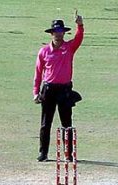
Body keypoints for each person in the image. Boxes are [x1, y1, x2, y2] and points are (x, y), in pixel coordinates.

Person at [33, 14, 84, 162]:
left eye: (61, 31)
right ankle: (43, 153)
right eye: (56, 31)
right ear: (51, 33)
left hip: (64, 90)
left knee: (66, 123)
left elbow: (79, 39)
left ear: (63, 32)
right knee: (45, 123)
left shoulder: (69, 47)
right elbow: (38, 73)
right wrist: (36, 92)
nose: (59, 33)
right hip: (48, 89)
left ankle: (68, 154)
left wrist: (80, 25)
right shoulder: (43, 51)